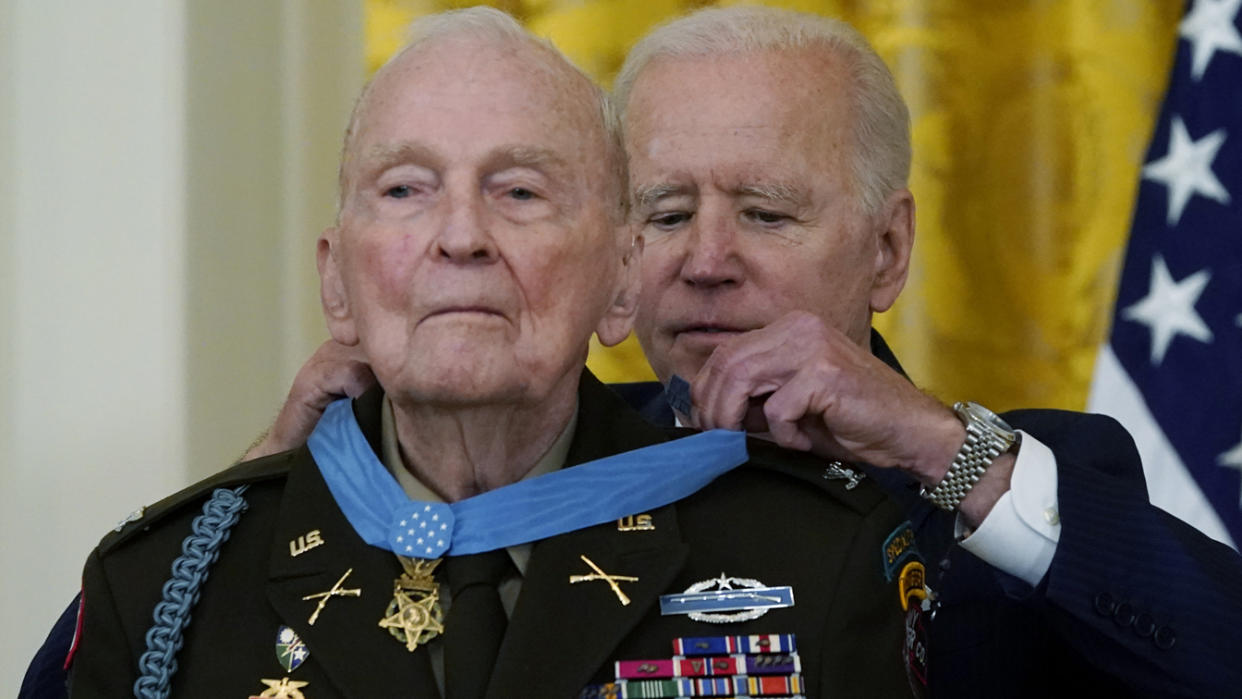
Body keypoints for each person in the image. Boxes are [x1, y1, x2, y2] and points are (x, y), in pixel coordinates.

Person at [202, 6, 1242, 698]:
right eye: (662, 212)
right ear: (612, 251)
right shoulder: (515, 472)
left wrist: (942, 452)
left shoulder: (1008, 486)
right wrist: (263, 489)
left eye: (764, 213)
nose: (705, 261)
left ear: (887, 251)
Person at [53, 8, 912, 699]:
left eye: (520, 192)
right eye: (405, 190)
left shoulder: (819, 552)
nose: (461, 236)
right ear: (338, 284)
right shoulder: (166, 580)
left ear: (622, 279)